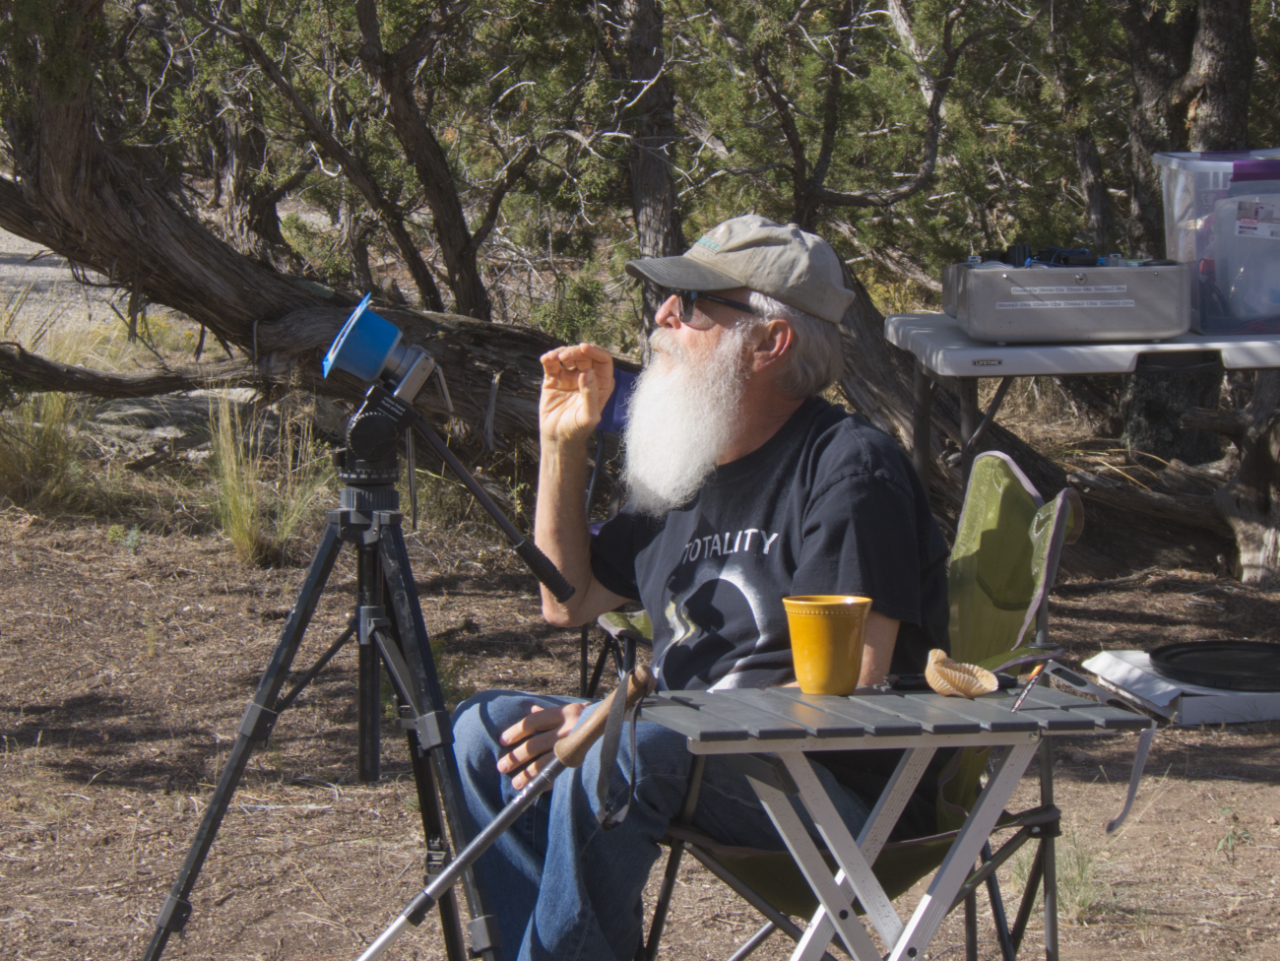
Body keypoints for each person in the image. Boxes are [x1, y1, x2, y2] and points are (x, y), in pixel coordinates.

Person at [451, 214, 949, 961]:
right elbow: (568, 600)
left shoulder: (849, 467)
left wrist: (628, 713)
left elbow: (855, 686)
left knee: (624, 746)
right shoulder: (688, 468)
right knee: (478, 736)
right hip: (679, 747)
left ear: (769, 343)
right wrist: (563, 445)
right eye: (667, 301)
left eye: (691, 307)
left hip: (833, 792)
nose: (661, 318)